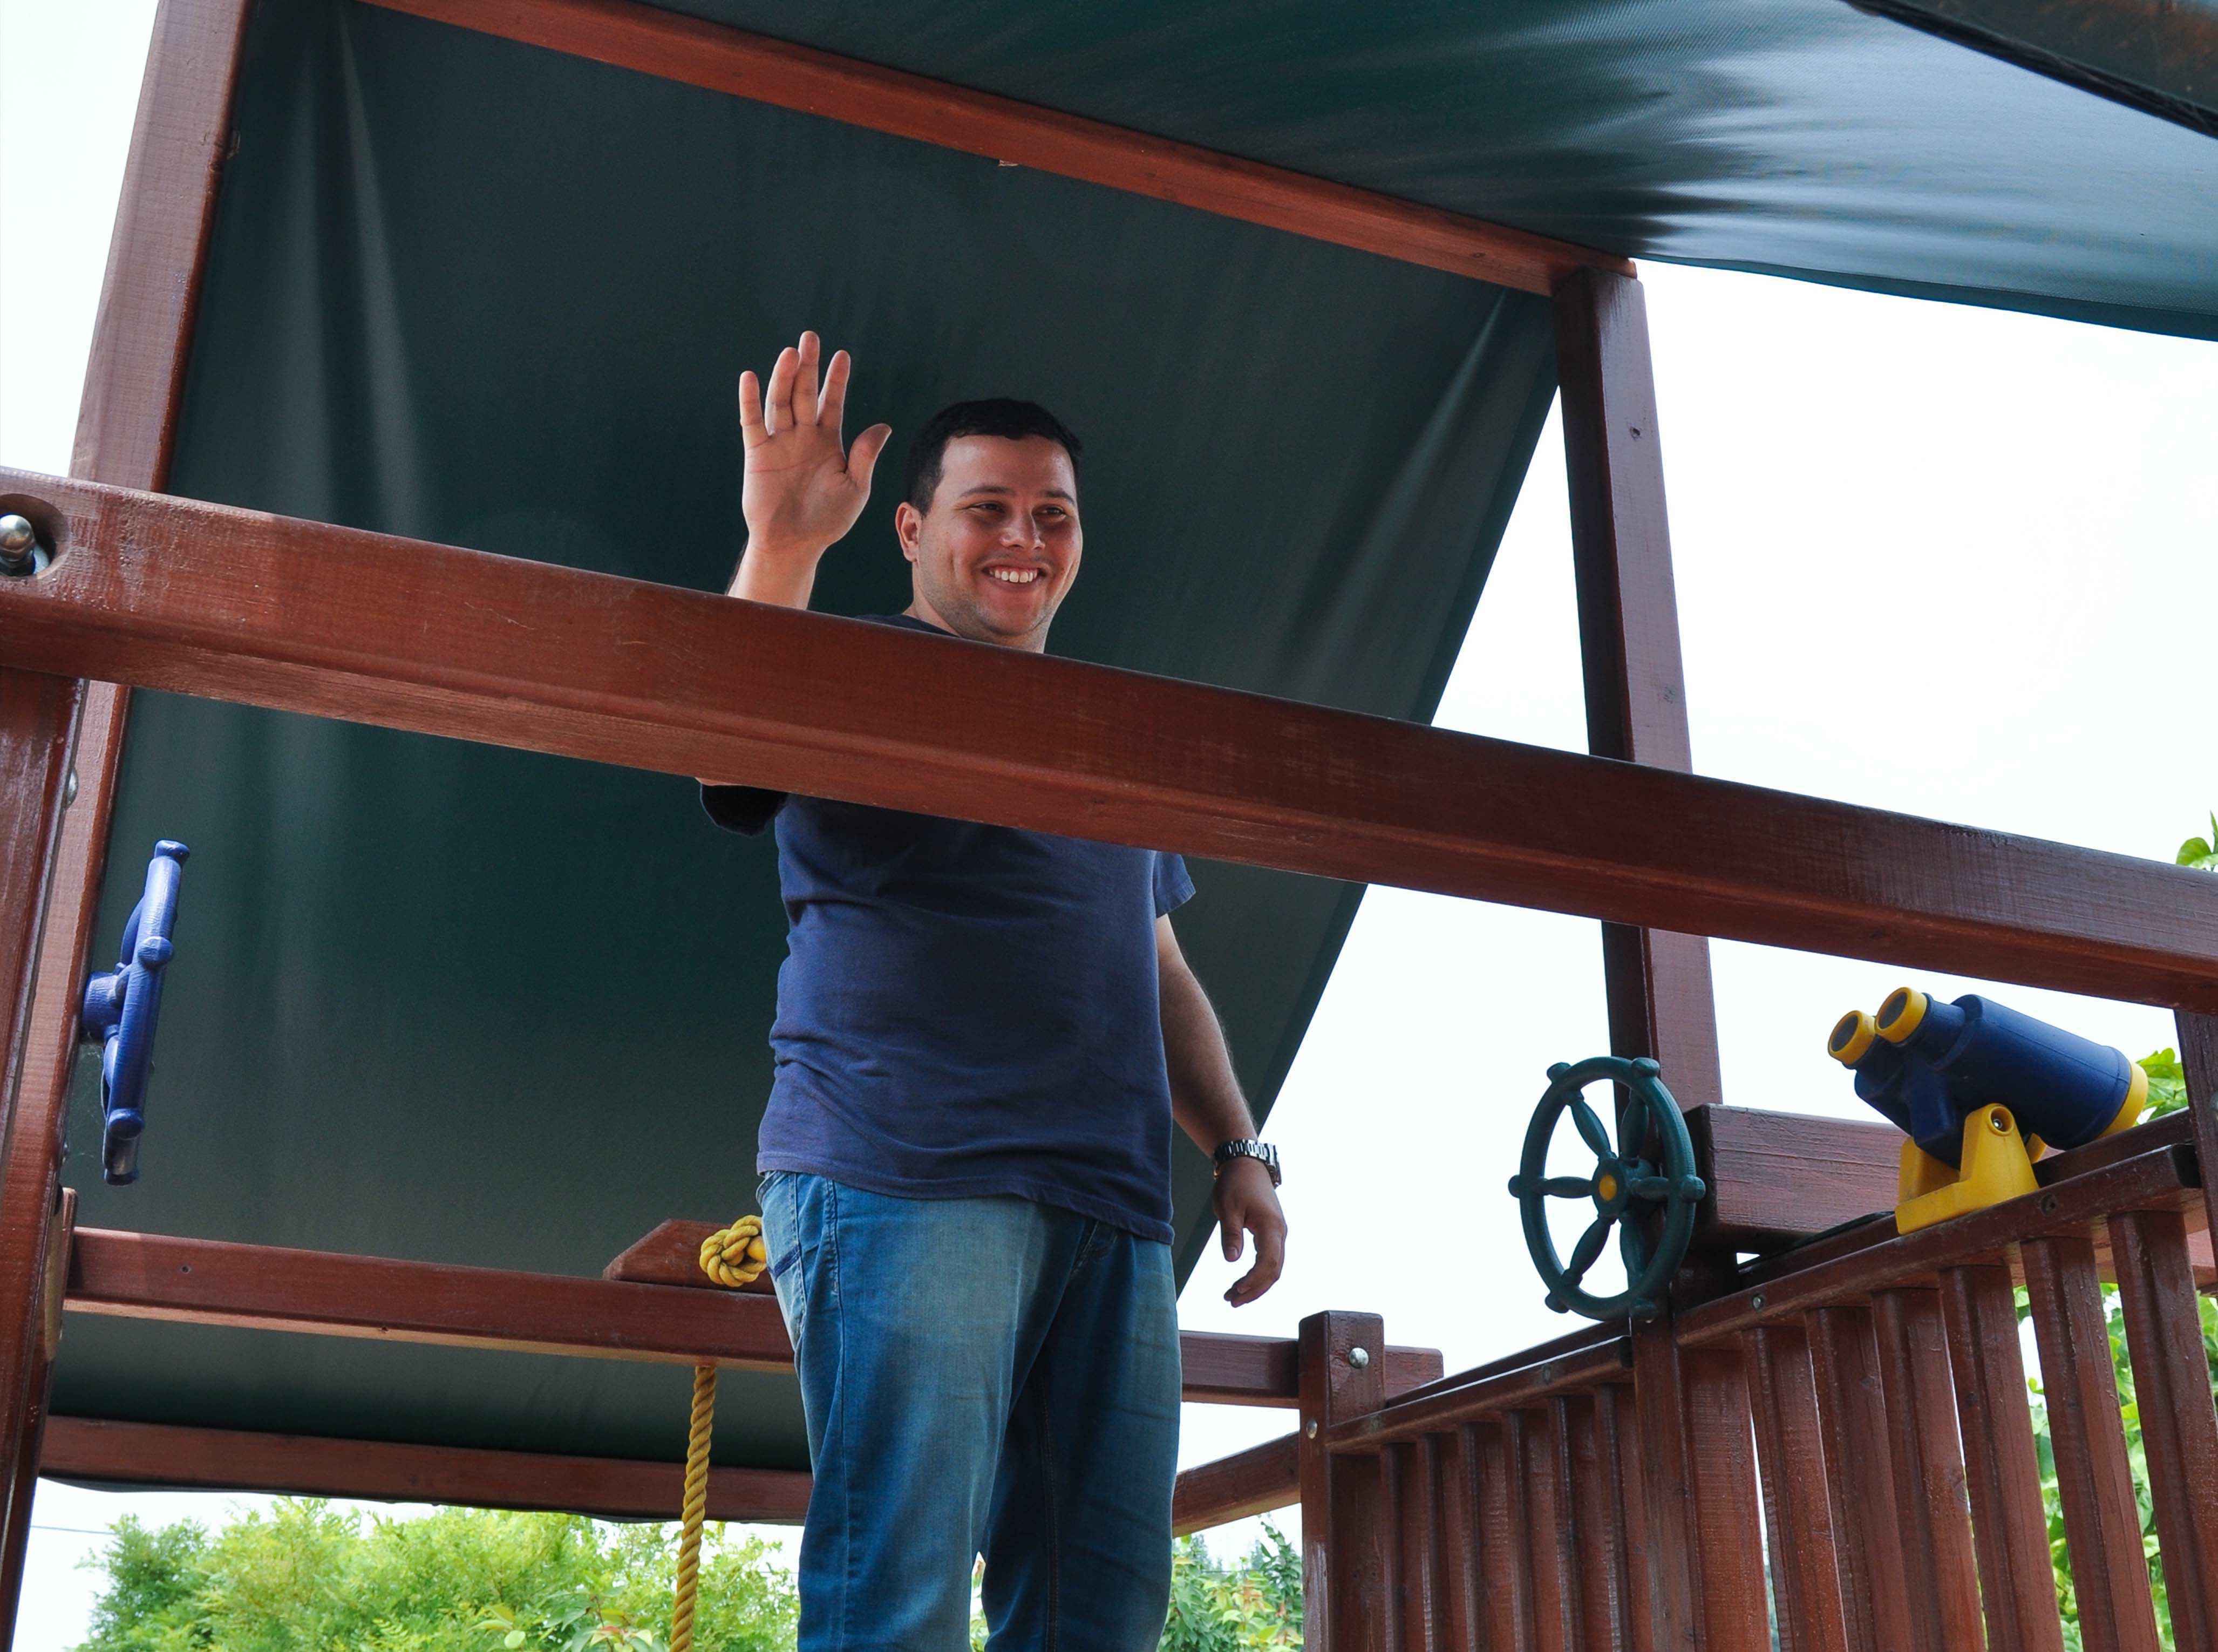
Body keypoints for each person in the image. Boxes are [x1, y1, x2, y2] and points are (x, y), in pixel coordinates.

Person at [698, 331, 1288, 1652]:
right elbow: (726, 756)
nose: (1024, 537)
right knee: (899, 1595)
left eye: (1052, 514)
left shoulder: (1111, 733)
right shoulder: (844, 668)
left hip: (1112, 1205)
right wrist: (782, 545)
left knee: (1102, 1611)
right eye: (987, 509)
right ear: (911, 530)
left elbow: (1158, 963)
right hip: (902, 1170)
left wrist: (1239, 1150)